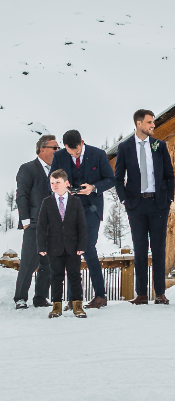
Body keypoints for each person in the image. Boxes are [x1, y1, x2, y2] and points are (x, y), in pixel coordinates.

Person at [114, 109, 175, 305]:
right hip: (136, 205)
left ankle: (159, 293)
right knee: (140, 248)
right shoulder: (125, 147)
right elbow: (118, 178)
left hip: (158, 205)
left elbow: (169, 175)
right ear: (139, 123)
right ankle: (141, 294)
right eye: (150, 122)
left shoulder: (159, 145)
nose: (153, 125)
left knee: (159, 249)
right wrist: (125, 200)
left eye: (153, 122)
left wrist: (168, 200)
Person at [50, 129, 116, 309]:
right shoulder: (59, 157)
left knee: (87, 248)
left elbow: (111, 179)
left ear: (82, 142)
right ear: (65, 147)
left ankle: (100, 296)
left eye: (77, 151)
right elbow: (53, 182)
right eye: (71, 152)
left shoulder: (98, 154)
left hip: (91, 208)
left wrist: (93, 188)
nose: (75, 154)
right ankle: (73, 299)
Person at [36, 170, 88, 319]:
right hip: (54, 246)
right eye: (52, 183)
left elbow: (82, 226)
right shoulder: (47, 202)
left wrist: (81, 245)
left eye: (57, 182)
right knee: (56, 276)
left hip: (73, 247)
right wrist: (41, 247)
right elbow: (41, 227)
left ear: (66, 183)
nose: (54, 185)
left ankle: (78, 306)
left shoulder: (76, 202)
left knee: (75, 275)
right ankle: (56, 306)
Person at [13, 134, 56, 309]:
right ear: (42, 149)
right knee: (29, 261)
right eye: (54, 147)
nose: (57, 150)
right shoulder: (28, 168)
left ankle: (40, 298)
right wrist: (25, 220)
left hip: (54, 224)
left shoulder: (58, 171)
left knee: (49, 263)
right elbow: (21, 195)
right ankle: (20, 298)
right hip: (33, 223)